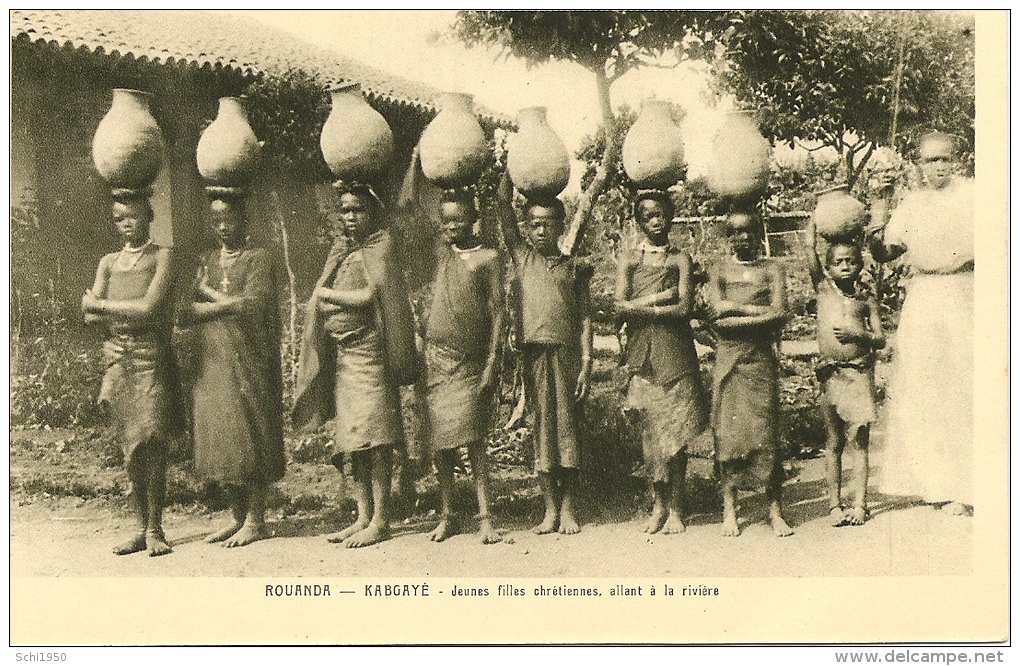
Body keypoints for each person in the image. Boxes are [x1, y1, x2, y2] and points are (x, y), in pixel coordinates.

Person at [293, 182, 419, 548]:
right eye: (344, 211)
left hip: (371, 357)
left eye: (358, 210)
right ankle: (362, 515)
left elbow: (369, 296)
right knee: (351, 442)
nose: (350, 218)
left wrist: (327, 296)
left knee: (376, 439)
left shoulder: (381, 247)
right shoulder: (342, 252)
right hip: (345, 359)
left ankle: (381, 519)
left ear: (372, 213)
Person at [868, 132, 974, 515]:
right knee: (926, 385)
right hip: (925, 296)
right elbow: (884, 252)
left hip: (966, 291)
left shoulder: (974, 195)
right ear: (920, 166)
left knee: (967, 383)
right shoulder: (912, 203)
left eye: (945, 159)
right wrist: (879, 207)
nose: (939, 167)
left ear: (956, 160)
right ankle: (939, 483)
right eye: (931, 161)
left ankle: (972, 485)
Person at [180, 196, 286, 547]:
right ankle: (236, 516)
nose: (224, 226)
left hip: (248, 359)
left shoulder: (259, 259)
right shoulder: (208, 260)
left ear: (245, 218)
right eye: (217, 220)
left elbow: (251, 306)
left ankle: (256, 519)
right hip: (212, 359)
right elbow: (185, 311)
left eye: (230, 218)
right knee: (219, 433)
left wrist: (207, 294)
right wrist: (222, 306)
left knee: (248, 430)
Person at [496, 173, 593, 535]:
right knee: (543, 432)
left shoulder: (572, 269)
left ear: (560, 227)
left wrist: (586, 362)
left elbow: (585, 318)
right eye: (534, 225)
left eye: (548, 225)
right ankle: (549, 511)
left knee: (568, 431)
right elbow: (502, 209)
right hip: (534, 358)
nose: (540, 232)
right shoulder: (522, 259)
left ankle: (568, 510)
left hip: (566, 358)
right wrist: (512, 170)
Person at [81, 194, 177, 556]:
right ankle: (139, 527)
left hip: (152, 356)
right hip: (119, 358)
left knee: (153, 440)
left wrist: (100, 305)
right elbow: (88, 318)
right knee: (130, 448)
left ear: (149, 216)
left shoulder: (162, 256)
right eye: (120, 218)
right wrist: (107, 332)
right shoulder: (108, 262)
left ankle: (156, 528)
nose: (127, 223)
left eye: (134, 216)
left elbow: (149, 306)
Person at [615, 191, 708, 534]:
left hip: (675, 352)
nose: (655, 220)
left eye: (661, 214)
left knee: (677, 433)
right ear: (639, 221)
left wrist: (643, 306)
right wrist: (659, 300)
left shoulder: (680, 259)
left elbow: (684, 309)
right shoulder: (629, 259)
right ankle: (658, 506)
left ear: (670, 217)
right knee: (652, 437)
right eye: (648, 215)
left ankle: (678, 508)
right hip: (643, 354)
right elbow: (618, 305)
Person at [421, 188, 505, 544]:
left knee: (474, 441)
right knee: (442, 444)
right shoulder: (441, 255)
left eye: (458, 219)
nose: (451, 227)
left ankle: (486, 516)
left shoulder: (488, 258)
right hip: (436, 361)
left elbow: (499, 314)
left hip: (470, 363)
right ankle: (448, 514)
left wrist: (491, 365)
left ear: (473, 220)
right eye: (446, 220)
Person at [706, 211, 792, 537]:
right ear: (728, 237)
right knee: (728, 437)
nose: (742, 238)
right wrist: (760, 313)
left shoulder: (772, 270)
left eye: (748, 232)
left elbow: (781, 313)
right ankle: (730, 508)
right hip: (729, 360)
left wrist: (737, 308)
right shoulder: (719, 271)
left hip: (760, 360)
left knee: (765, 434)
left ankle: (774, 510)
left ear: (759, 234)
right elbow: (718, 320)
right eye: (735, 233)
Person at [805, 215, 884, 527]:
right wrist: (811, 234)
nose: (845, 266)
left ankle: (860, 504)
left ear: (860, 265)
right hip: (831, 374)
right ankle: (834, 504)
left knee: (859, 441)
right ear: (829, 267)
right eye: (838, 262)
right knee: (834, 441)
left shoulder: (866, 299)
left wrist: (858, 335)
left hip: (859, 374)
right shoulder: (824, 291)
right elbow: (810, 258)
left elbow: (879, 338)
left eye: (851, 261)